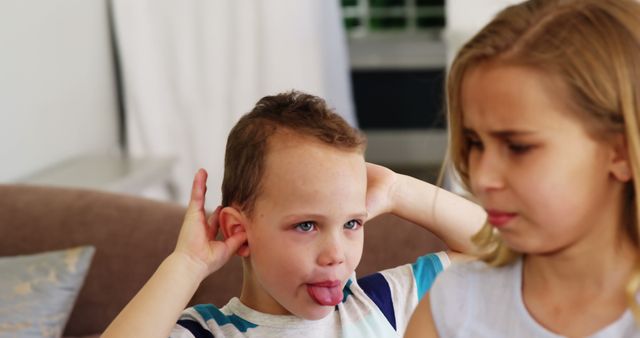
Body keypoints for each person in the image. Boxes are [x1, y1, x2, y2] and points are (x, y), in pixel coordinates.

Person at [102, 91, 485, 338]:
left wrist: (402, 190)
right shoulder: (208, 332)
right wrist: (186, 264)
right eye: (307, 225)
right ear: (240, 230)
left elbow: (501, 254)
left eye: (352, 223)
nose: (336, 253)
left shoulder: (382, 304)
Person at [404, 0, 640, 337]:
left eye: (518, 147)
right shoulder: (453, 306)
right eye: (475, 143)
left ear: (620, 153)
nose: (482, 178)